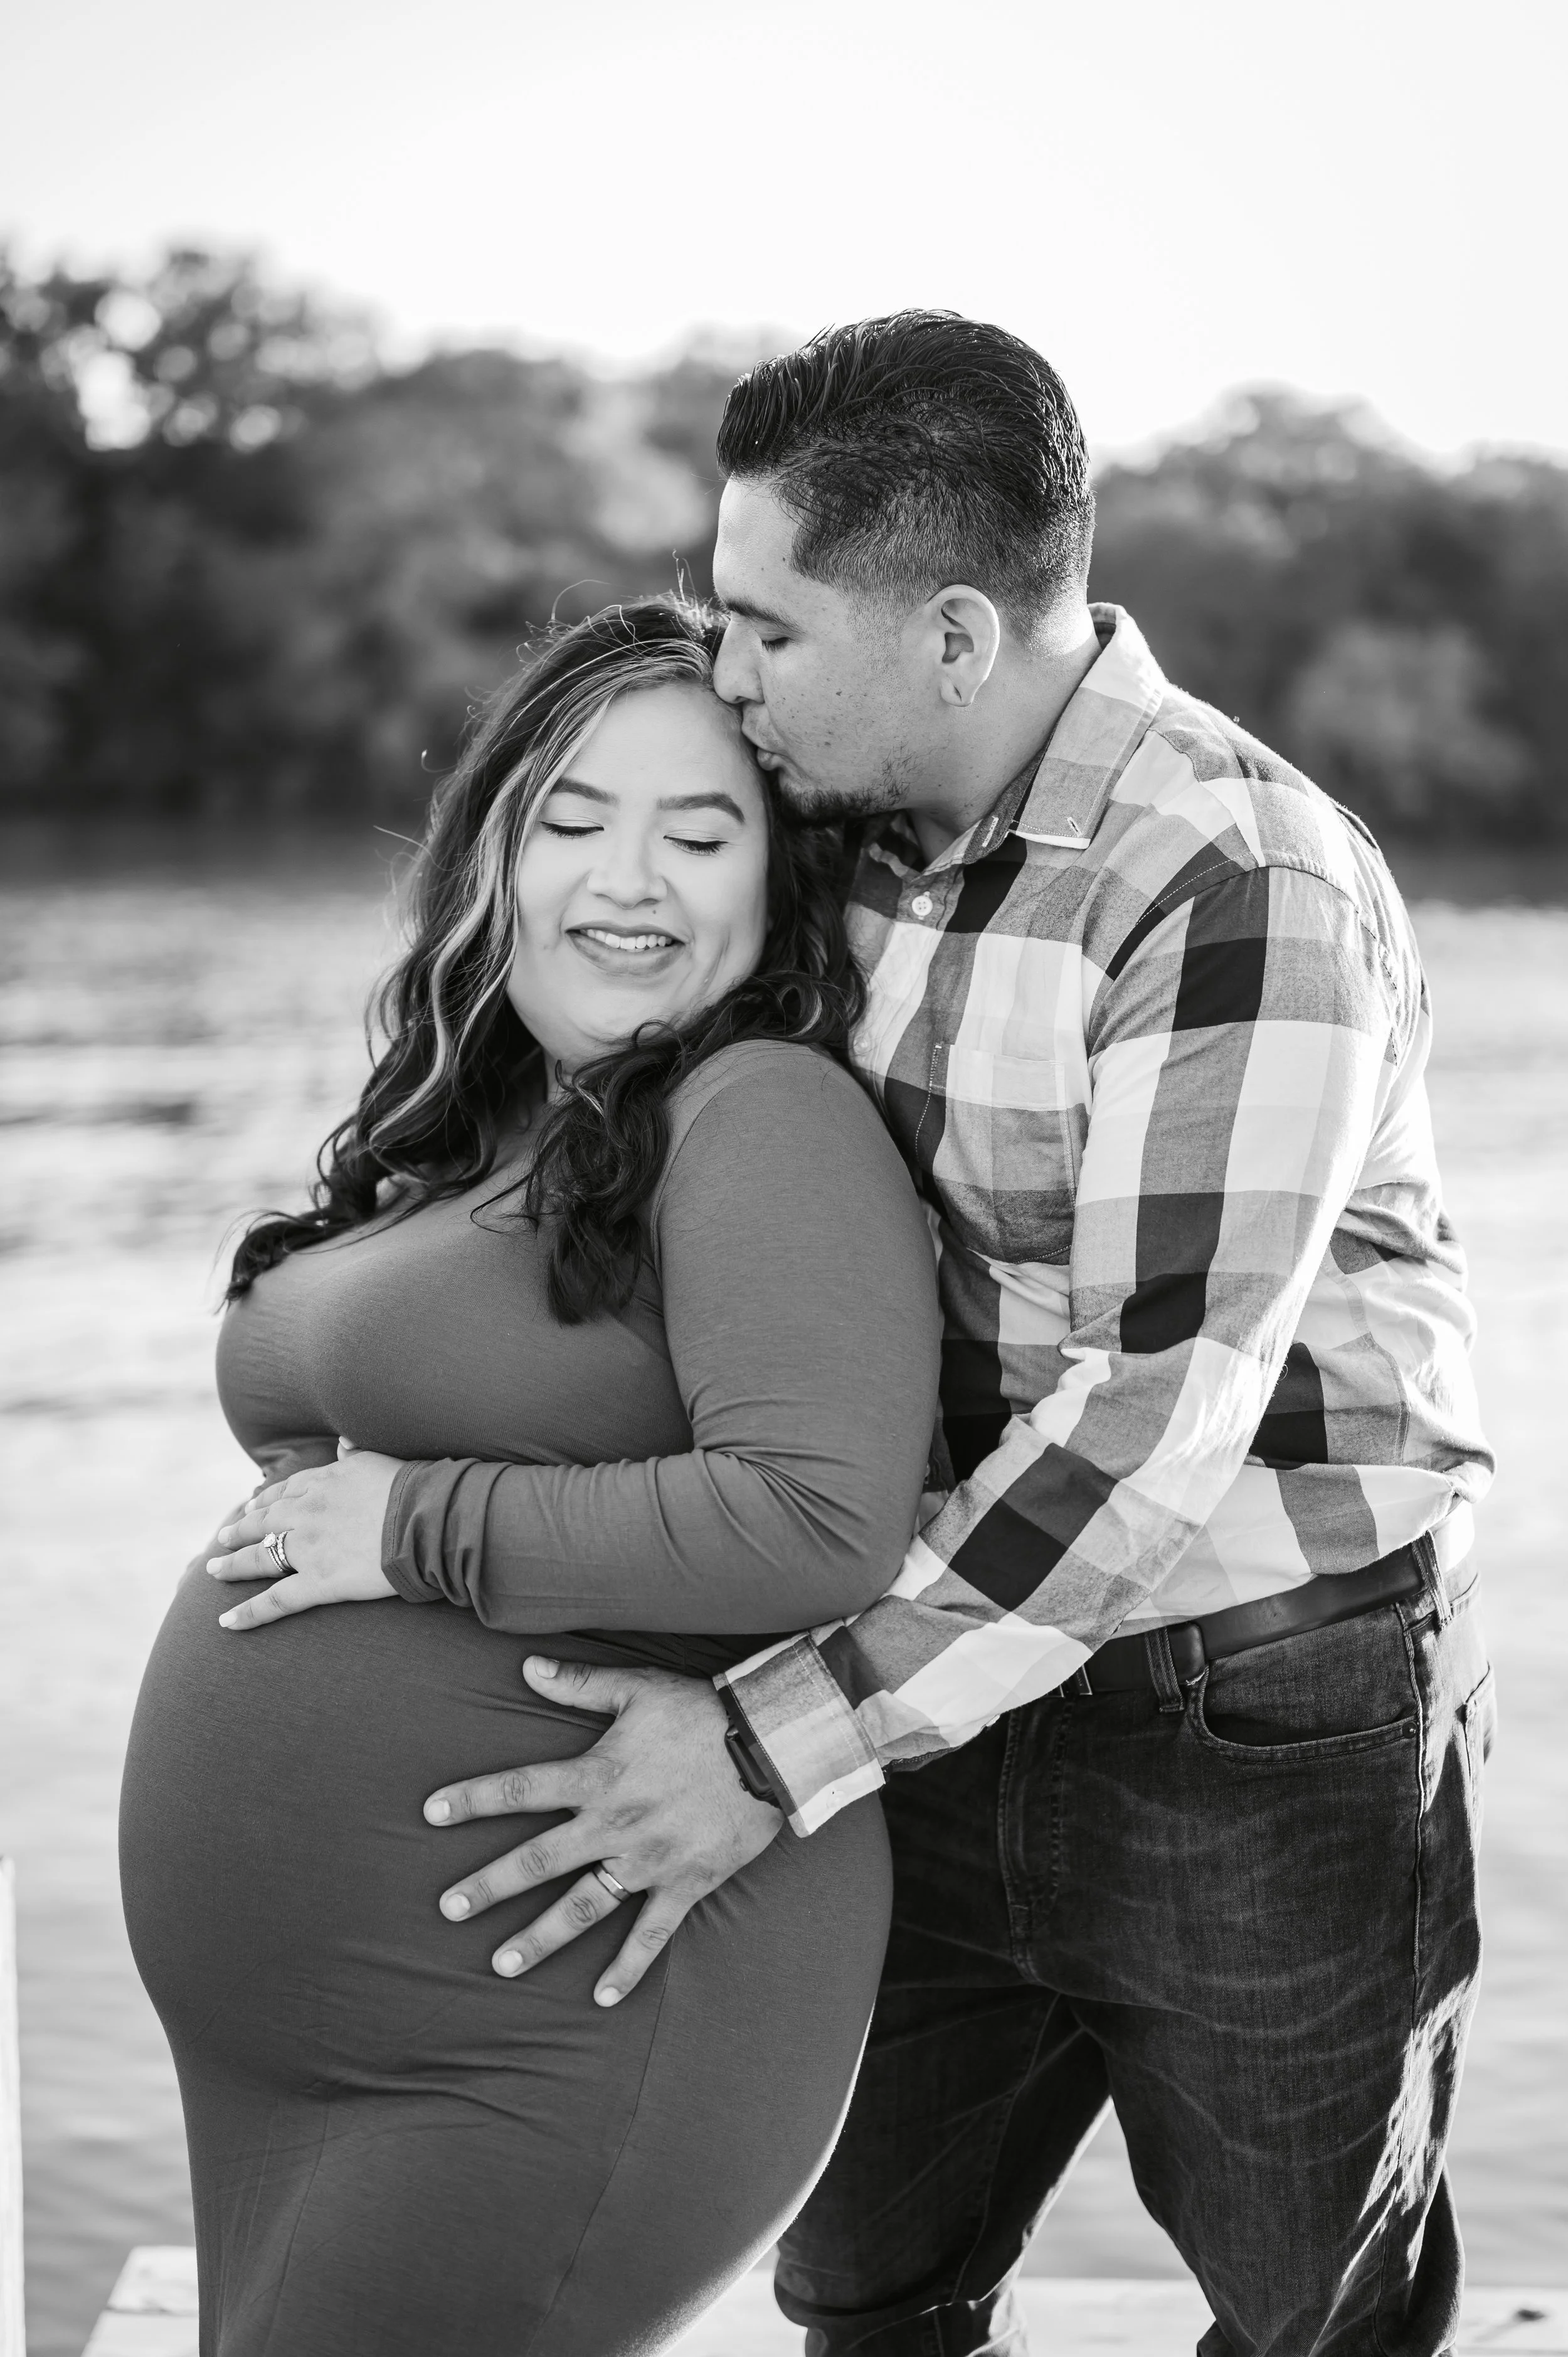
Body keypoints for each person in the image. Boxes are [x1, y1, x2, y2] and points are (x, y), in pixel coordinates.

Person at [426, 316, 1496, 2357]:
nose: (723, 666)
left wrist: (761, 1749)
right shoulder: (834, 817)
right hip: (922, 1653)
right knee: (864, 2277)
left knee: (1312, 2311)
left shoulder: (1231, 877)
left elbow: (1148, 1425)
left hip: (1253, 1700)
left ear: (948, 636)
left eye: (763, 625)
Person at [118, 597, 942, 2357]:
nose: (628, 880)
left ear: (777, 879)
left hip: (559, 2025)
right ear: (494, 847)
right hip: (312, 2052)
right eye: (573, 819)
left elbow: (815, 1519)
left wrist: (418, 1528)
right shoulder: (486, 1123)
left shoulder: (757, 1113)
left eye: (699, 835)